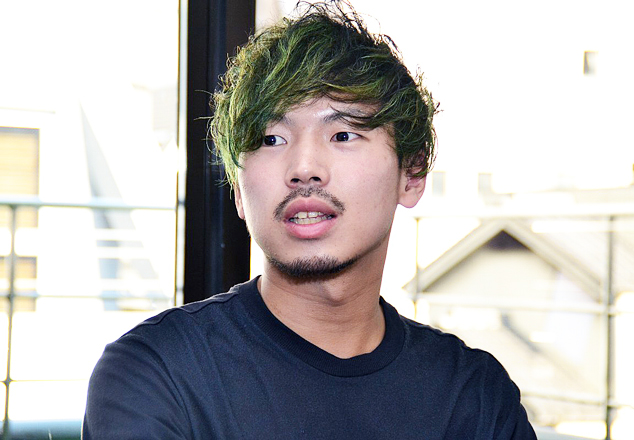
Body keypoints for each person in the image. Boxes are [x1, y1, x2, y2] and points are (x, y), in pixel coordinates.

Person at [83, 1, 537, 438]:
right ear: (238, 190)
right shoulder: (157, 374)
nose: (303, 168)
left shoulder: (473, 395)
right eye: (270, 139)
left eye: (343, 134)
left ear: (411, 175)